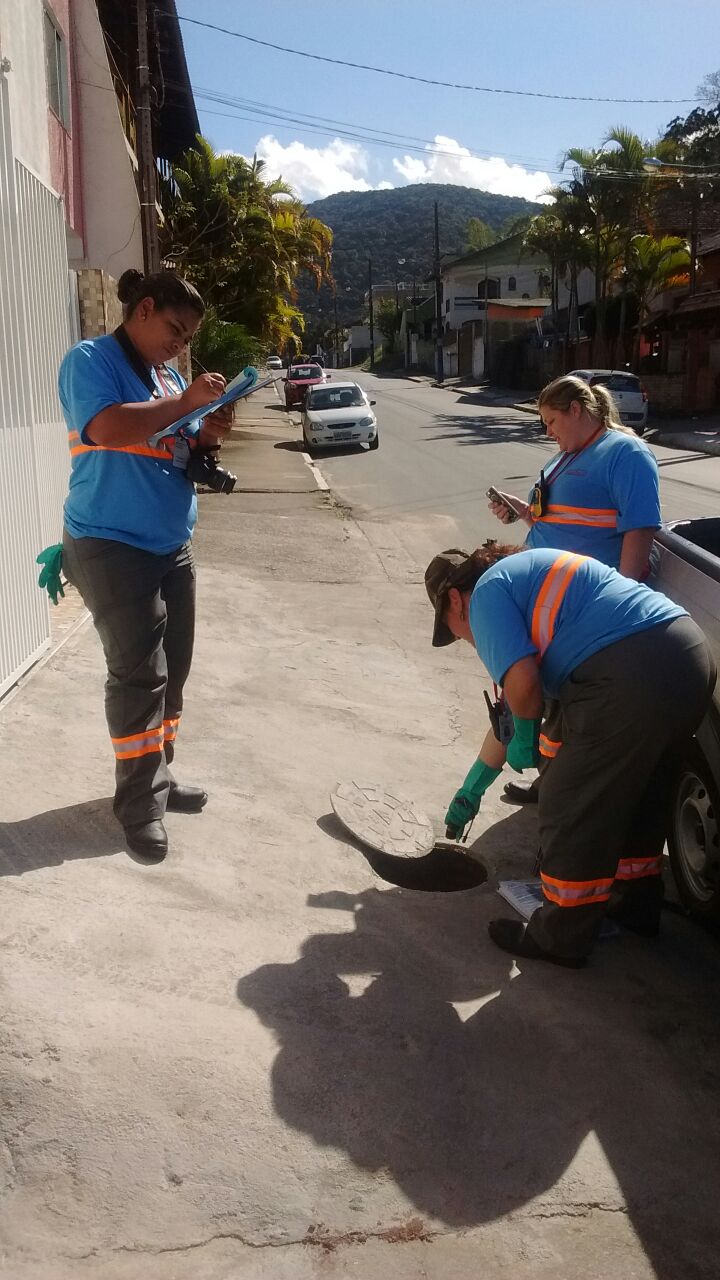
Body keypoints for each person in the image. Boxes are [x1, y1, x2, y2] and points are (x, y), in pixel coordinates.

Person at [424, 543, 715, 967]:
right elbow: (512, 712)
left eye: (454, 631)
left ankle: (560, 936)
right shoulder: (529, 586)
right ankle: (633, 901)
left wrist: (528, 736)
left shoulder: (486, 594)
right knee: (642, 792)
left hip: (631, 672)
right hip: (688, 657)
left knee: (567, 798)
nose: (464, 641)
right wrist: (473, 788)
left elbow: (524, 688)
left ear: (455, 600)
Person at [58, 268, 234, 859]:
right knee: (139, 678)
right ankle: (138, 806)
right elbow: (106, 427)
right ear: (143, 309)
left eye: (187, 338)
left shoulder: (167, 376)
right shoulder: (90, 361)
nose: (179, 344)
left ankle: (159, 772)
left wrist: (208, 432)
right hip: (111, 543)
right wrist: (185, 402)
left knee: (173, 670)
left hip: (169, 544)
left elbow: (176, 447)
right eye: (175, 329)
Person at [488, 374, 661, 805]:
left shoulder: (625, 453)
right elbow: (556, 518)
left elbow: (639, 529)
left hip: (587, 605)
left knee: (572, 701)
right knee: (553, 698)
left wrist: (622, 600)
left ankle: (560, 791)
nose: (547, 431)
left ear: (577, 410)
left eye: (551, 421)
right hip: (552, 601)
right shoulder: (565, 456)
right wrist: (521, 512)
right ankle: (549, 783)